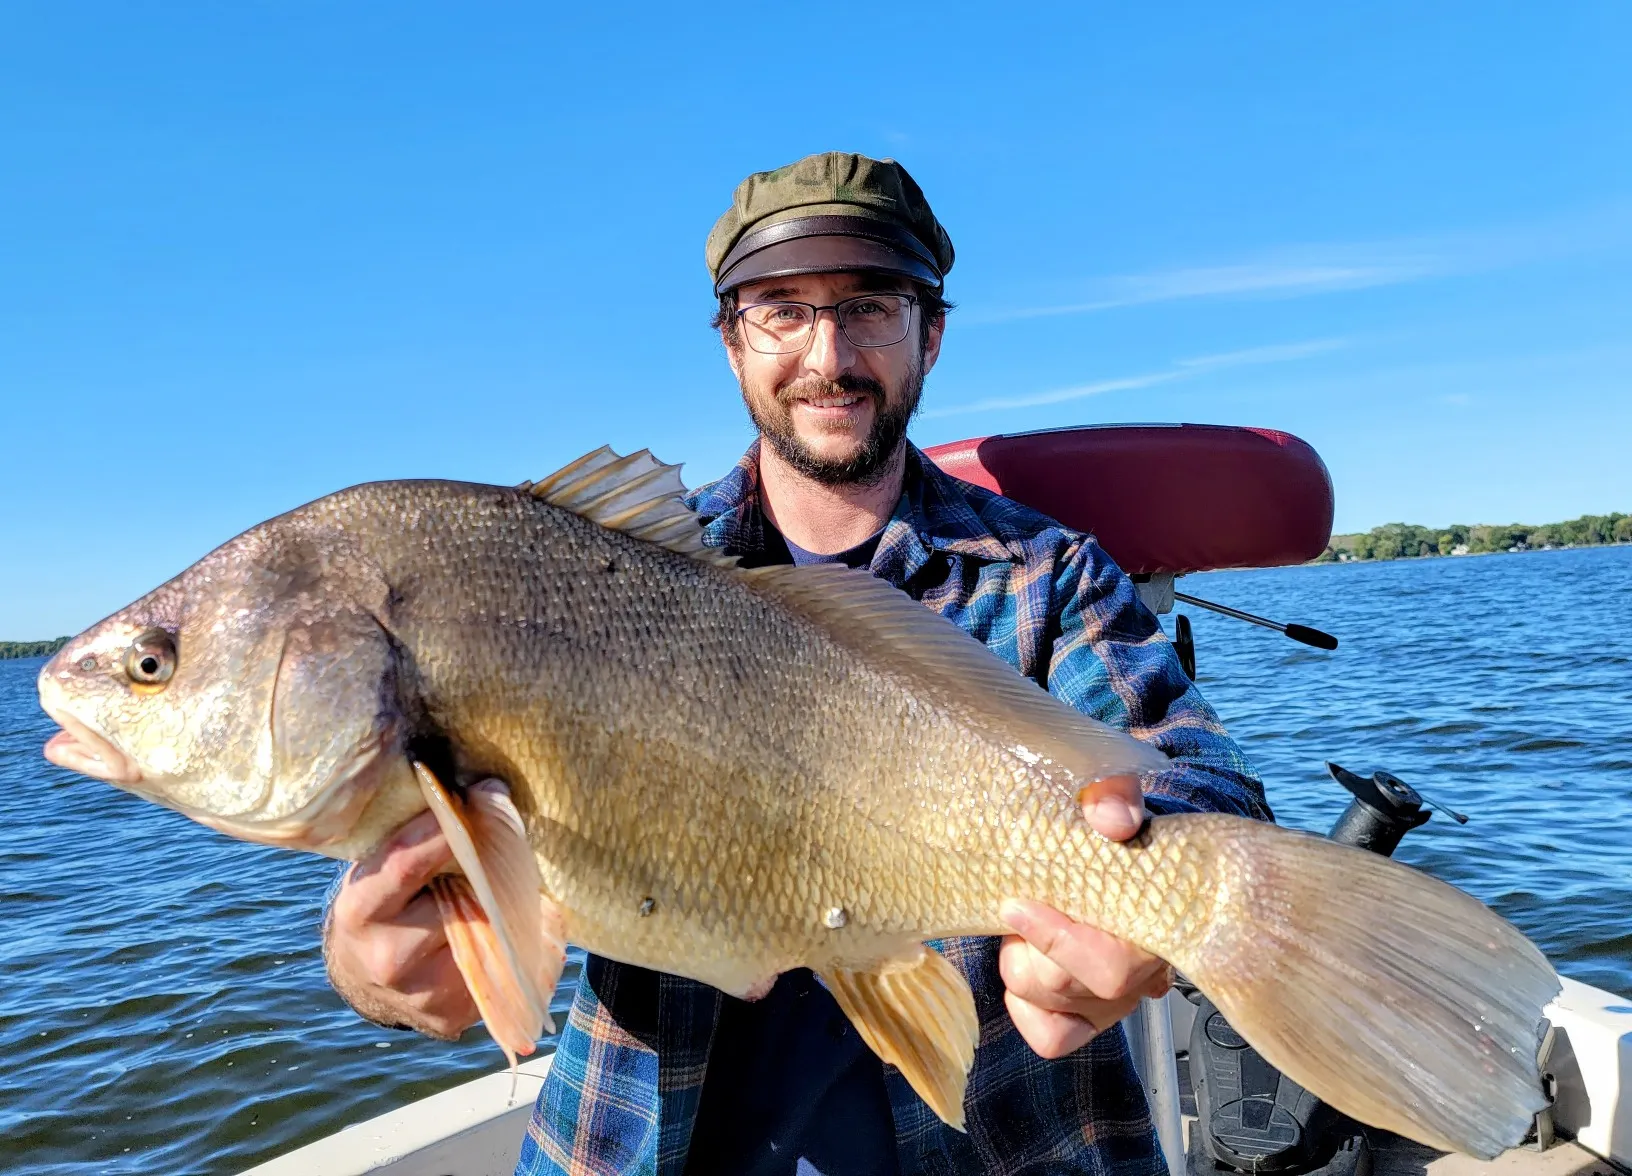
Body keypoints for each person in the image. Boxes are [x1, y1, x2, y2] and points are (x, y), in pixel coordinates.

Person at [323, 152, 1270, 1175]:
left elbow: (1200, 789)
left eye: (869, 305)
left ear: (931, 334)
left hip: (1008, 1142)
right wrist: (380, 965)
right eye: (781, 309)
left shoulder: (1047, 575)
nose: (829, 353)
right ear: (731, 342)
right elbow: (423, 908)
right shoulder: (601, 581)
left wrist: (1142, 919)